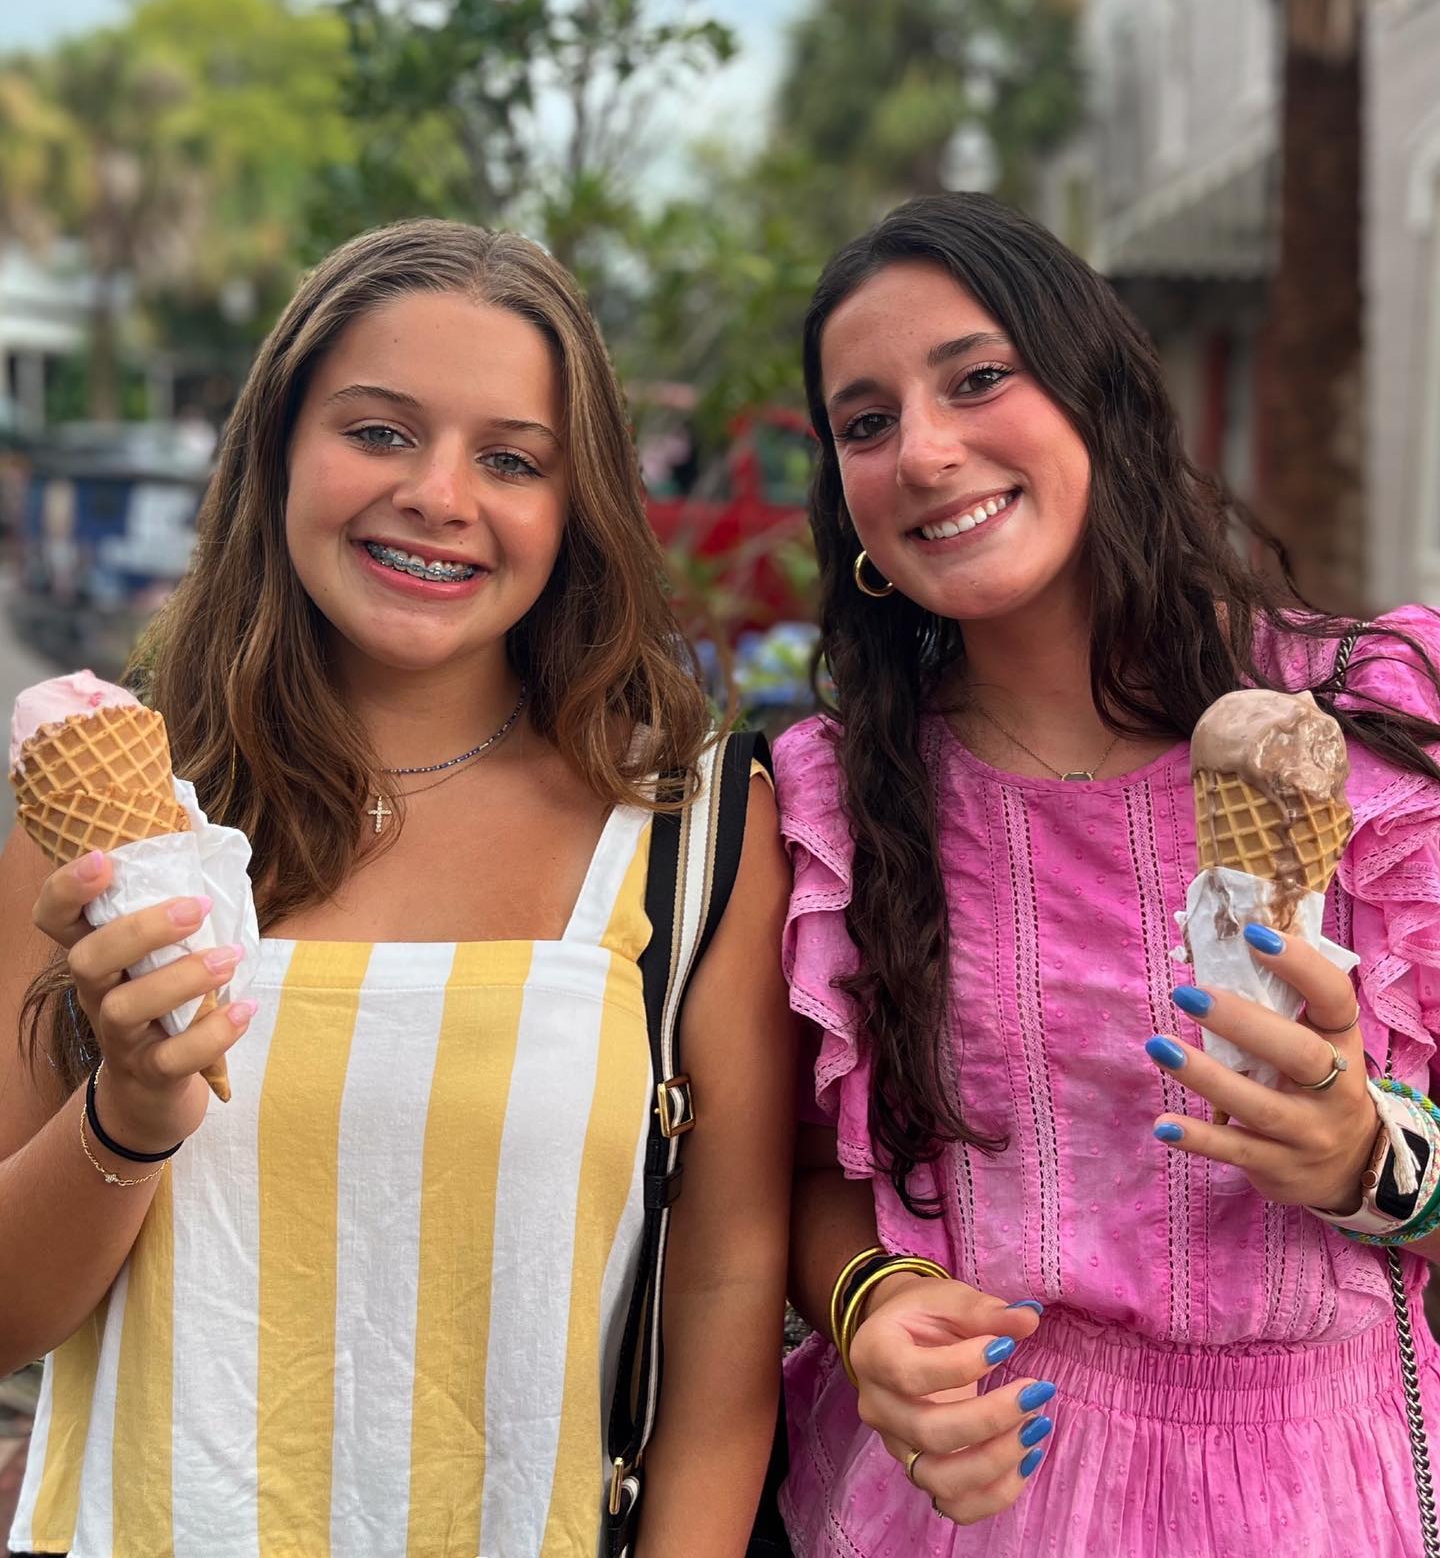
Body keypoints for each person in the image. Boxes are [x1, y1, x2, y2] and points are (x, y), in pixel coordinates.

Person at [0, 220, 794, 1557]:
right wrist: (130, 1113)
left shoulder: (697, 829)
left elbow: (722, 1314)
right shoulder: (110, 825)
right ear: (278, 452)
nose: (438, 492)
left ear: (576, 503)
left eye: (510, 459)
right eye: (377, 432)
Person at [774, 191, 1440, 1557]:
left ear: (1095, 394)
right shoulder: (839, 800)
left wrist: (1379, 1163)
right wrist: (870, 1306)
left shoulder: (1369, 721)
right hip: (962, 1498)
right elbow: (805, 1177)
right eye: (866, 422)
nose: (928, 450)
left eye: (976, 380)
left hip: (1329, 1494)